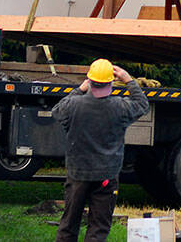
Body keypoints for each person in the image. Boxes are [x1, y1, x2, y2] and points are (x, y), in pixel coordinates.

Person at [54, 58, 150, 242]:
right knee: (98, 229)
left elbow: (57, 111)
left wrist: (79, 89)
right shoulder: (120, 107)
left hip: (77, 174)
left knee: (68, 225)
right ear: (111, 82)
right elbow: (142, 105)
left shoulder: (74, 105)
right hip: (106, 175)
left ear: (89, 81)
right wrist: (129, 80)